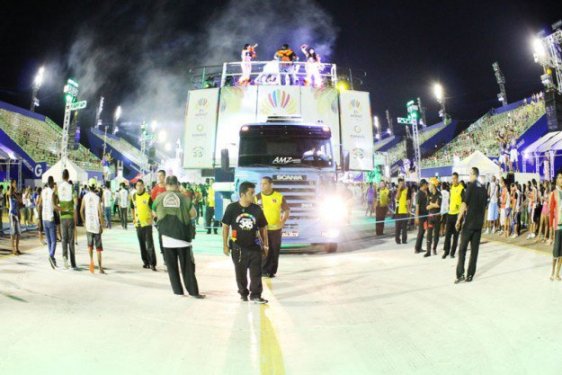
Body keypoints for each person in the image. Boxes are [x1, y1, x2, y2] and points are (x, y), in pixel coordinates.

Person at [152, 176, 204, 298]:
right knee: (187, 267)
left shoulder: (159, 198)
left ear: (166, 184)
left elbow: (154, 212)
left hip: (166, 238)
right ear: (177, 184)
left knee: (172, 267)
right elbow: (193, 214)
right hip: (182, 238)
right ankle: (193, 292)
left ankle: (178, 292)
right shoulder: (184, 198)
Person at [222, 181, 269, 304]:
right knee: (240, 273)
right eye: (251, 193)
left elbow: (263, 228)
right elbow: (225, 226)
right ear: (242, 194)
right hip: (238, 248)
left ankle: (256, 295)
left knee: (256, 274)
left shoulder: (256, 209)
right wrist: (225, 245)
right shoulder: (232, 208)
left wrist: (265, 245)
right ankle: (243, 293)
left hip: (254, 247)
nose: (254, 195)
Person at [454, 167, 489, 283]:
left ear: (473, 174)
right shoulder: (483, 189)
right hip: (478, 225)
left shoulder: (471, 187)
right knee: (474, 252)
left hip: (469, 223)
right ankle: (470, 275)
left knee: (462, 249)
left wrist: (458, 220)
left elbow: (464, 204)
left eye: (470, 174)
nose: (469, 176)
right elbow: (485, 207)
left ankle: (460, 274)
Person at [256, 176, 290, 278]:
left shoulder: (279, 196)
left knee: (275, 250)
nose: (262, 186)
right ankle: (263, 271)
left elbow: (287, 210)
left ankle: (271, 271)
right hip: (262, 230)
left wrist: (283, 221)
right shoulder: (257, 197)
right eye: (261, 184)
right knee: (264, 250)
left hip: (275, 230)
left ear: (271, 184)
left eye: (265, 184)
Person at [131, 179, 157, 271]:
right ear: (135, 187)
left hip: (147, 225)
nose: (139, 187)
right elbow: (132, 208)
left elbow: (153, 209)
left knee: (149, 245)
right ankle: (146, 262)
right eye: (137, 185)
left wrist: (153, 218)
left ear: (143, 186)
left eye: (141, 185)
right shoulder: (133, 196)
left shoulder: (148, 197)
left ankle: (152, 263)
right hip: (138, 225)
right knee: (142, 244)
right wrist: (133, 218)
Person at [80, 179, 105, 274]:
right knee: (98, 248)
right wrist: (102, 225)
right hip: (96, 226)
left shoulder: (85, 197)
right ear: (95, 187)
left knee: (90, 246)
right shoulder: (97, 198)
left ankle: (91, 262)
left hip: (89, 226)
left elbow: (81, 211)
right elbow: (100, 213)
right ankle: (100, 268)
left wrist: (84, 221)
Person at [38, 176, 59, 268]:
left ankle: (52, 257)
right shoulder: (52, 193)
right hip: (50, 218)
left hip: (43, 218)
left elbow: (39, 203)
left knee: (49, 241)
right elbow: (54, 206)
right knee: (54, 240)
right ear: (52, 183)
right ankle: (51, 256)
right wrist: (61, 208)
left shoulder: (43, 191)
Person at [59, 169, 77, 269]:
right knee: (71, 240)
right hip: (70, 216)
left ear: (62, 176)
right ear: (68, 176)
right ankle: (73, 262)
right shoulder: (71, 187)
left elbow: (56, 200)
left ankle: (65, 259)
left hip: (62, 216)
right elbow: (75, 202)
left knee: (64, 239)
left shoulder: (59, 187)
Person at [443, 172, 464, 259]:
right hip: (450, 214)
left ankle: (452, 252)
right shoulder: (451, 188)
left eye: (455, 178)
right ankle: (446, 251)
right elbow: (450, 199)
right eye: (452, 178)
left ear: (457, 178)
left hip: (457, 215)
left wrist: (461, 214)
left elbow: (464, 202)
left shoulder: (461, 188)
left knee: (455, 235)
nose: (453, 180)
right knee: (447, 234)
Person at [548, 171, 562, 281]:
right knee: (556, 250)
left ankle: (557, 273)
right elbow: (551, 211)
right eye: (560, 178)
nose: (561, 180)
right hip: (557, 225)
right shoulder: (553, 193)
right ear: (556, 180)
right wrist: (550, 229)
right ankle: (552, 272)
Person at [151, 170, 167, 255]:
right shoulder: (155, 189)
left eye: (161, 176)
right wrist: (154, 215)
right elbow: (152, 204)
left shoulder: (168, 188)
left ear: (164, 176)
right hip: (159, 217)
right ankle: (164, 254)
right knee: (161, 236)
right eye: (158, 176)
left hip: (169, 216)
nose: (159, 177)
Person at [425, 180, 442, 257]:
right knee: (429, 234)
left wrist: (432, 204)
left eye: (430, 185)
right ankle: (428, 251)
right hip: (430, 218)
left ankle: (434, 248)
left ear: (434, 185)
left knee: (436, 234)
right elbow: (427, 207)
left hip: (437, 217)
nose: (429, 186)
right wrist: (433, 204)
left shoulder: (439, 194)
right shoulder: (429, 195)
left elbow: (438, 205)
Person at [7, 180, 22, 256]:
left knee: (18, 233)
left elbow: (20, 201)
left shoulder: (16, 193)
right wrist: (10, 186)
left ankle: (17, 248)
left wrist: (16, 194)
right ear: (12, 184)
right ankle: (13, 249)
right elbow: (9, 193)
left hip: (16, 214)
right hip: (12, 214)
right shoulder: (10, 193)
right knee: (13, 233)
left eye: (16, 183)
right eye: (14, 183)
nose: (16, 184)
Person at [414, 180, 429, 254]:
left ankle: (419, 247)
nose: (427, 186)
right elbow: (417, 206)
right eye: (426, 184)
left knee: (423, 231)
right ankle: (417, 248)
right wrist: (416, 217)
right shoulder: (419, 194)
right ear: (423, 185)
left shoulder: (424, 193)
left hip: (425, 215)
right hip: (421, 216)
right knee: (420, 232)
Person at [394, 178, 410, 244]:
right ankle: (397, 240)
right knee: (397, 227)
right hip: (398, 211)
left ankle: (404, 240)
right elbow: (397, 197)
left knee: (404, 227)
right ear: (398, 184)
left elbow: (408, 201)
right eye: (400, 183)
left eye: (403, 183)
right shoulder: (396, 190)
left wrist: (408, 210)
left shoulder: (407, 190)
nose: (402, 184)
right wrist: (399, 189)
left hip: (405, 211)